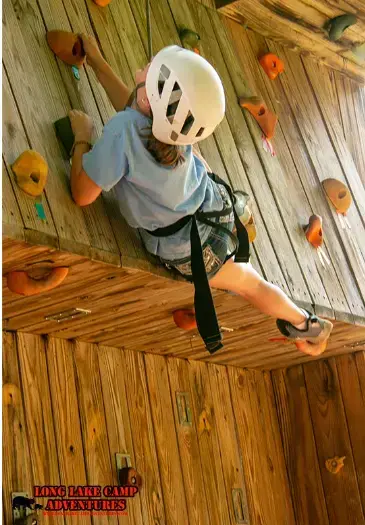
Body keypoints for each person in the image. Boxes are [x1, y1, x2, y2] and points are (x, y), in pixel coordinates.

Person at [68, 34, 333, 356]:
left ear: (149, 102)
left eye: (151, 71)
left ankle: (310, 326)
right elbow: (133, 107)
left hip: (186, 245)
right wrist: (95, 59)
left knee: (249, 283)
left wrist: (82, 138)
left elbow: (83, 194)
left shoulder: (126, 128)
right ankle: (309, 326)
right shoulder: (174, 125)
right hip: (212, 209)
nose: (145, 67)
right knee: (250, 284)